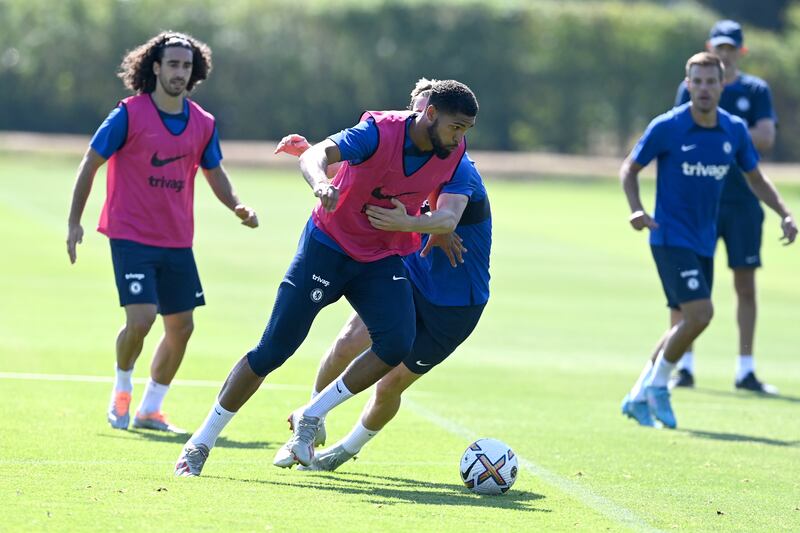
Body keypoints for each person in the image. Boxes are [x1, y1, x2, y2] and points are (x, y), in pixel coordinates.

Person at [175, 79, 479, 476]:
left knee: (396, 343)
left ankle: (312, 415)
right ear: (431, 114)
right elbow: (317, 155)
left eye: (466, 132)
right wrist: (321, 183)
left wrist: (410, 221)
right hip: (329, 247)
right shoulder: (380, 129)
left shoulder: (453, 153)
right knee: (273, 350)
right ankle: (200, 442)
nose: (459, 139)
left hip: (382, 258)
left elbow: (449, 217)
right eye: (455, 128)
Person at [274, 79, 491, 471]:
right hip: (406, 268)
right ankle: (309, 425)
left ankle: (341, 453)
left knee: (390, 383)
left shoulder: (460, 167)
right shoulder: (411, 148)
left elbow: (447, 217)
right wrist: (314, 157)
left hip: (455, 301)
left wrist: (426, 224)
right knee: (346, 342)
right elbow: (367, 174)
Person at [66, 32, 258, 434]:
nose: (179, 72)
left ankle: (151, 409)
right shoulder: (129, 115)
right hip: (130, 234)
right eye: (172, 64)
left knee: (182, 328)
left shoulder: (203, 123)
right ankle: (122, 387)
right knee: (141, 320)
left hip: (176, 240)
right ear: (155, 66)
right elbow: (90, 162)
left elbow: (214, 171)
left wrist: (236, 205)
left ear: (195, 71)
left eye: (186, 66)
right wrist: (74, 221)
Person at [619, 52, 796, 429]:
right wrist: (636, 209)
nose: (702, 88)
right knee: (702, 314)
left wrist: (784, 212)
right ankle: (660, 388)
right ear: (687, 84)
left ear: (722, 85)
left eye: (710, 82)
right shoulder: (668, 126)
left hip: (703, 240)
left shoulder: (733, 129)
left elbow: (756, 178)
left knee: (684, 321)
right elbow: (629, 169)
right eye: (695, 82)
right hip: (669, 237)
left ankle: (637, 396)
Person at [671, 20, 779, 392]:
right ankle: (683, 364)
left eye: (731, 48)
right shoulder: (692, 88)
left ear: (740, 51)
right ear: (710, 46)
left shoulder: (754, 89)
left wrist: (720, 129)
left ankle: (745, 367)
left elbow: (765, 137)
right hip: (699, 205)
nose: (725, 53)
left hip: (742, 203)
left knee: (745, 285)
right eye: (720, 46)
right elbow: (678, 131)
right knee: (687, 290)